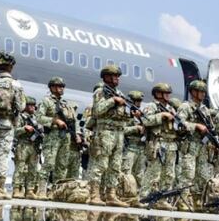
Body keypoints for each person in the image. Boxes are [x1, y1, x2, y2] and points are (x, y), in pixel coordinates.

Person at [86, 64, 130, 206]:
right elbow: (97, 110)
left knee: (115, 165)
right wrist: (112, 101)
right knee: (101, 164)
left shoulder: (120, 93)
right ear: (105, 77)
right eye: (113, 76)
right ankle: (94, 195)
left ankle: (111, 195)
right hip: (105, 132)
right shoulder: (100, 92)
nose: (116, 78)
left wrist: (130, 114)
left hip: (119, 133)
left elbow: (124, 115)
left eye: (117, 76)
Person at [0, 52, 25, 199]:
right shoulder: (15, 84)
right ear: (11, 67)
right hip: (6, 123)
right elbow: (20, 106)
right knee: (3, 155)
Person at [139, 83, 181, 209]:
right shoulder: (151, 106)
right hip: (158, 143)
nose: (168, 96)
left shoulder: (170, 108)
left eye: (169, 93)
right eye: (166, 93)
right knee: (153, 172)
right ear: (158, 94)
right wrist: (161, 116)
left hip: (171, 144)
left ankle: (162, 199)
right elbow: (145, 120)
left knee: (169, 174)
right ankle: (144, 197)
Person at [37, 76, 80, 194]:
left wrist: (76, 134)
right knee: (49, 164)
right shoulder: (46, 101)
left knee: (61, 165)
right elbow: (39, 118)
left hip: (65, 137)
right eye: (59, 86)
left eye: (62, 86)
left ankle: (57, 192)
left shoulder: (65, 104)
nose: (61, 89)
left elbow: (73, 120)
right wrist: (55, 121)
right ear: (52, 87)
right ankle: (41, 191)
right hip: (52, 136)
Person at [174, 80, 211, 206]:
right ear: (193, 92)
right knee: (187, 175)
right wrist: (196, 126)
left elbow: (210, 127)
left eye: (203, 92)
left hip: (202, 146)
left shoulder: (205, 109)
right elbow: (178, 124)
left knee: (202, 175)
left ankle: (197, 201)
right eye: (200, 92)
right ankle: (182, 202)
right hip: (190, 145)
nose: (203, 94)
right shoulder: (185, 107)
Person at [12, 97, 43, 198]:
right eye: (30, 105)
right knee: (20, 168)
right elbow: (15, 131)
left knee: (33, 169)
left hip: (34, 146)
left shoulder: (36, 118)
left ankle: (29, 190)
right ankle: (17, 189)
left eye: (34, 105)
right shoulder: (21, 117)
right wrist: (24, 129)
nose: (32, 107)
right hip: (23, 144)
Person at [122, 90, 148, 188]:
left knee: (140, 174)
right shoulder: (125, 113)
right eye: (136, 101)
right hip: (129, 148)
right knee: (126, 172)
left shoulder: (141, 115)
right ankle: (125, 194)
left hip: (141, 148)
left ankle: (137, 195)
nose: (138, 103)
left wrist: (141, 119)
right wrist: (135, 128)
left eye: (140, 101)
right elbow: (121, 130)